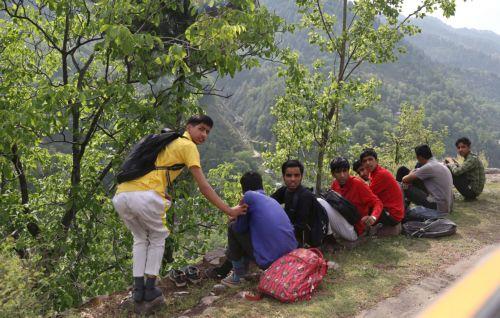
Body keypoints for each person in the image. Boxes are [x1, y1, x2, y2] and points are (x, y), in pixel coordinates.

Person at [112, 115, 247, 303]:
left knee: (140, 238)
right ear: (188, 127)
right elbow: (204, 187)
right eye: (201, 129)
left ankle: (138, 289)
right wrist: (229, 210)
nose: (204, 135)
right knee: (158, 238)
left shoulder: (167, 142)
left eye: (207, 132)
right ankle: (149, 289)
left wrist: (162, 192)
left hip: (122, 195)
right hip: (145, 196)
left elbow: (156, 170)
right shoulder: (187, 145)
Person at [222, 171, 297, 287]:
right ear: (261, 185)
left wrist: (233, 218)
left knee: (232, 227)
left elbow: (240, 229)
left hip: (271, 261)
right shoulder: (272, 201)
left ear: (243, 189)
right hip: (291, 255)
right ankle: (243, 270)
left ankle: (238, 276)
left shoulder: (248, 197)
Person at [271, 160, 323, 247]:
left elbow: (300, 227)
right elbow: (268, 202)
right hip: (292, 232)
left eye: (296, 175)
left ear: (301, 177)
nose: (293, 179)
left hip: (306, 239)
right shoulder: (284, 191)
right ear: (283, 177)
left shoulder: (305, 196)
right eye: (289, 175)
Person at [329, 157, 384, 238]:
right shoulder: (335, 184)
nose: (342, 175)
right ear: (333, 174)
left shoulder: (357, 184)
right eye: (338, 172)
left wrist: (373, 217)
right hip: (343, 222)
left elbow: (377, 203)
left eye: (345, 171)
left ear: (348, 171)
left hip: (357, 228)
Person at [360, 148, 405, 231]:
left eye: (370, 159)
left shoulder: (380, 175)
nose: (368, 163)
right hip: (392, 211)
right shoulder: (373, 173)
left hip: (393, 215)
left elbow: (367, 198)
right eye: (364, 161)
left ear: (376, 161)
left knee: (361, 206)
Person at [401, 145, 453, 213]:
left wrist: (411, 174)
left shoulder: (429, 167)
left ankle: (401, 209)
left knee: (404, 186)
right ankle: (403, 206)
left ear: (419, 157)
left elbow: (404, 179)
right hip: (446, 205)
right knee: (404, 171)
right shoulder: (438, 164)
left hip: (437, 207)